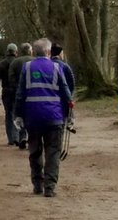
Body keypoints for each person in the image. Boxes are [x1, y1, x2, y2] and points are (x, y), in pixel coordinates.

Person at [13, 36, 73, 197]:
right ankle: (50, 187)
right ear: (48, 51)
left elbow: (20, 93)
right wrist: (69, 115)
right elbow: (65, 92)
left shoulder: (27, 67)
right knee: (53, 152)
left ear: (34, 51)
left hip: (32, 117)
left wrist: (17, 115)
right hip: (54, 116)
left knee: (35, 151)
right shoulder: (56, 68)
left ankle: (37, 184)